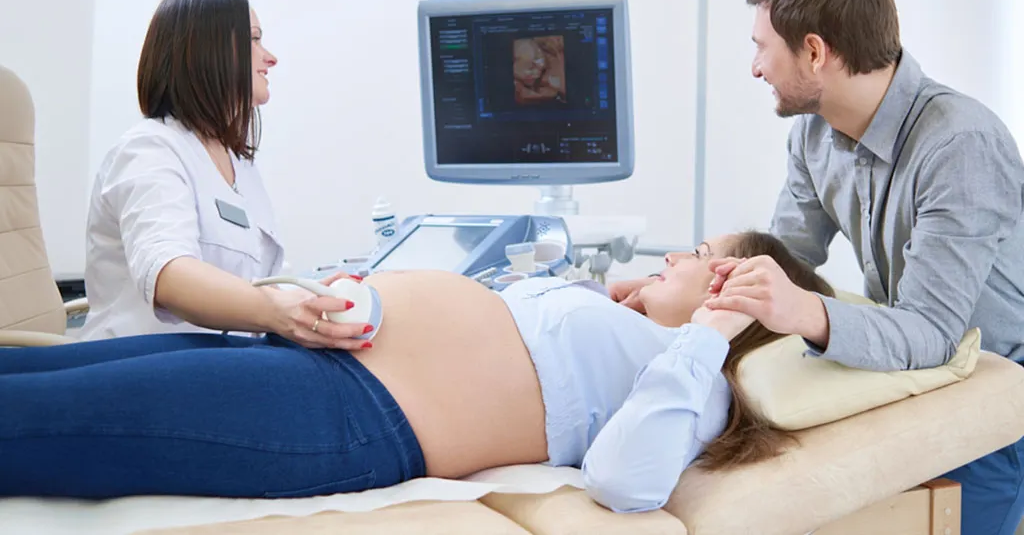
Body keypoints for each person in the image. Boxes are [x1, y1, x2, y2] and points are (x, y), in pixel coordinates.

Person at [614, 0, 1024, 535]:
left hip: (995, 394)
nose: (755, 68)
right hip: (908, 377)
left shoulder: (959, 146)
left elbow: (933, 332)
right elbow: (784, 258)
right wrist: (672, 296)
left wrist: (803, 308)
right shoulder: (814, 133)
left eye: (762, 49)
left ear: (814, 51)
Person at [0, 231, 831, 511]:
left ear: (734, 294)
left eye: (706, 257)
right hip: (302, 354)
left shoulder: (698, 380)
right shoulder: (632, 330)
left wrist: (710, 333)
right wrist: (615, 295)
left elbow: (625, 480)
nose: (681, 252)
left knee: (34, 422)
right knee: (23, 377)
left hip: (349, 414)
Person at [79, 0, 361, 350]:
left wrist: (308, 297)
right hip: (143, 364)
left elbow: (255, 283)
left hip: (221, 361)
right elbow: (170, 276)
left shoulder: (238, 164)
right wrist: (277, 311)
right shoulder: (149, 150)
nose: (270, 57)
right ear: (206, 52)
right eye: (254, 40)